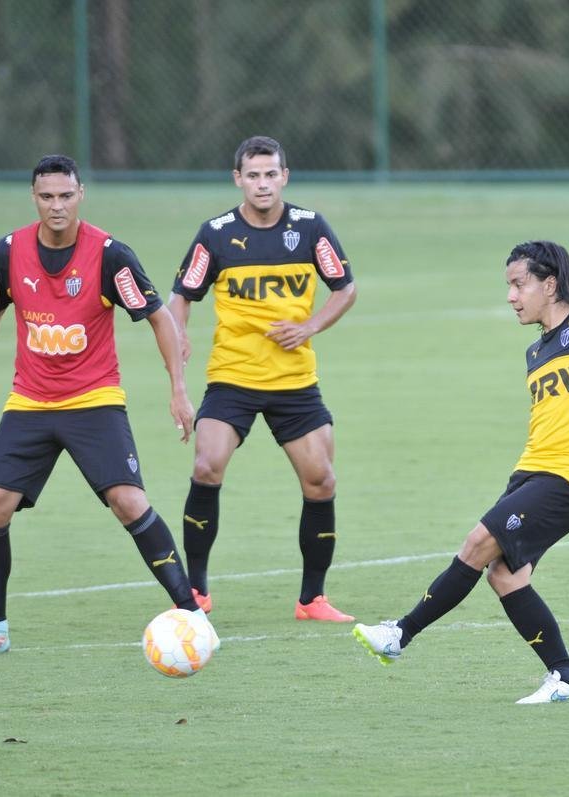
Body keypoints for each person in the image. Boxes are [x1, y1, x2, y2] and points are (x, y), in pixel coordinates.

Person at [353, 240, 569, 703]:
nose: (511, 297)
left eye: (519, 285)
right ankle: (567, 679)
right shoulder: (535, 352)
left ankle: (400, 634)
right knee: (505, 575)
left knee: (477, 543)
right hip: (530, 473)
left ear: (550, 283)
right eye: (509, 286)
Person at [0, 154, 217, 658]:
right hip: (29, 401)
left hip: (94, 401)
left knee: (129, 502)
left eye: (65, 196)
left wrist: (177, 389)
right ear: (34, 198)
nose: (56, 206)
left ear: (81, 194)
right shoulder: (8, 251)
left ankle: (193, 615)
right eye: (46, 197)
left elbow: (159, 318)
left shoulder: (110, 255)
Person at [168, 135, 357, 621]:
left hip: (294, 382)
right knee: (207, 464)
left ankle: (312, 599)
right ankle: (196, 592)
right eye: (252, 175)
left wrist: (311, 325)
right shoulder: (215, 234)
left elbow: (345, 288)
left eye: (270, 174)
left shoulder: (310, 228)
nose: (262, 183)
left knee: (321, 481)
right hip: (232, 376)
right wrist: (180, 336)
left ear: (284, 177)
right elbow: (182, 296)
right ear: (238, 180)